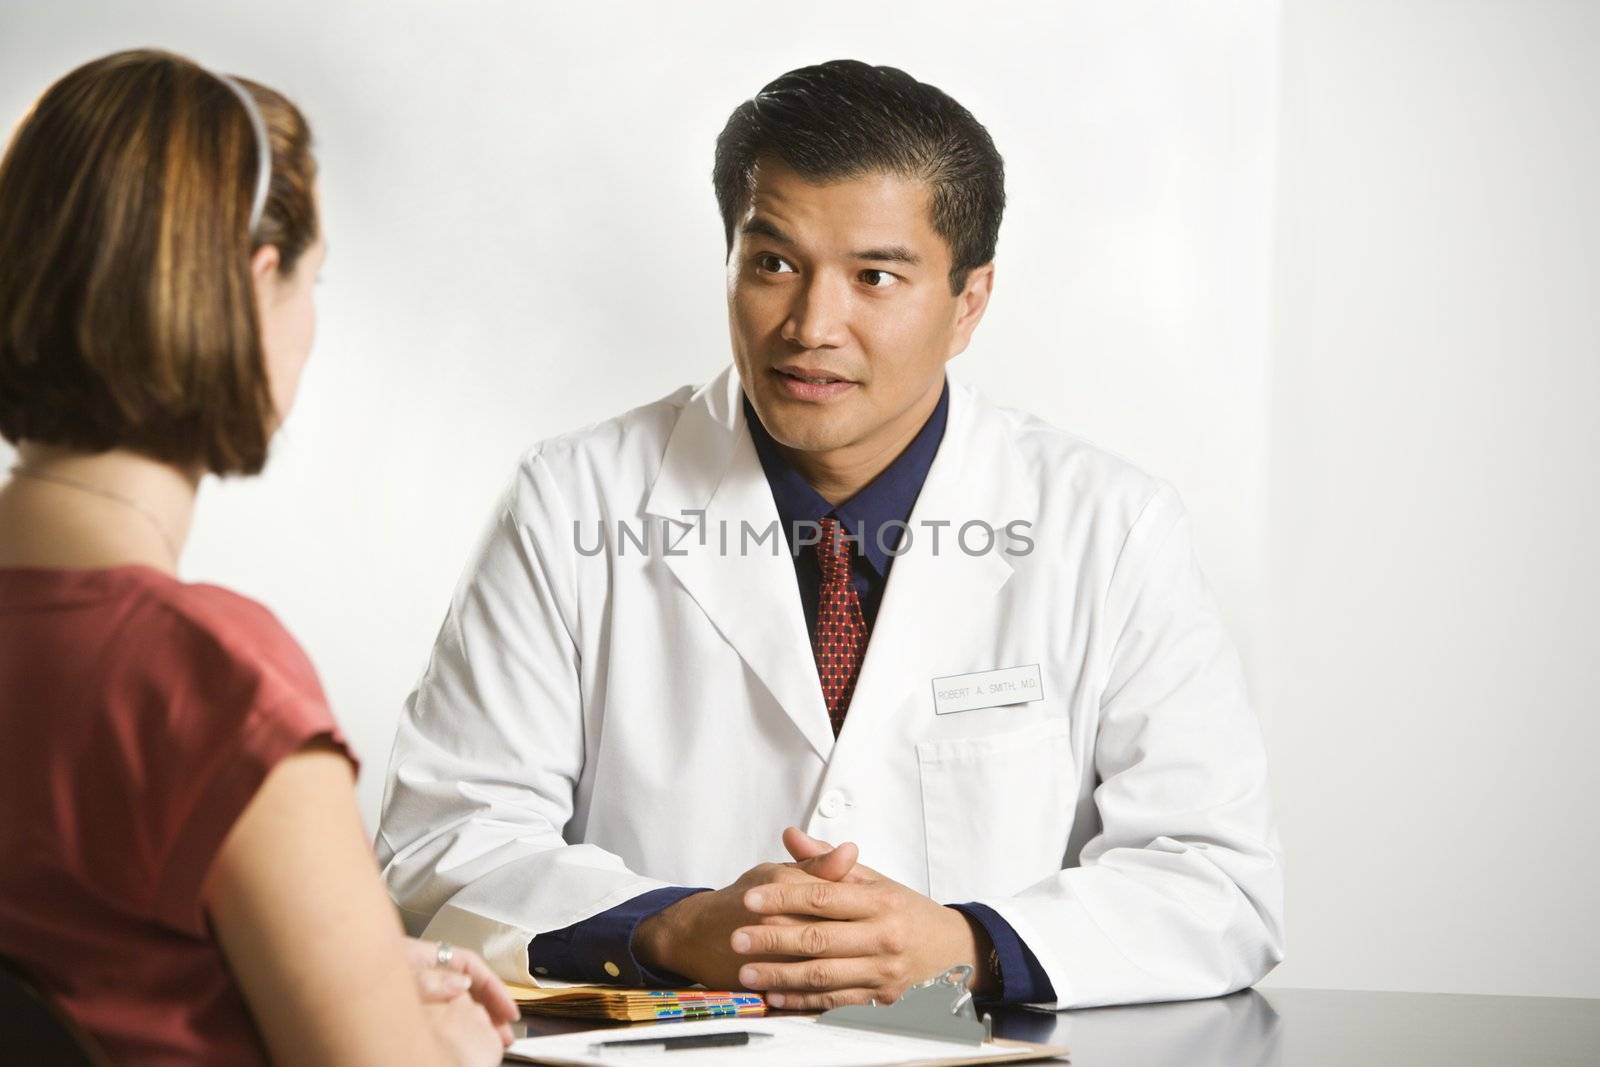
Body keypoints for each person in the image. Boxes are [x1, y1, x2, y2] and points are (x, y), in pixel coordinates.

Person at [376, 59, 1285, 1011]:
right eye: (773, 263)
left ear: (968, 301)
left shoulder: (1110, 525)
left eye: (876, 276)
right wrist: (671, 926)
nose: (812, 325)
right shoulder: (571, 501)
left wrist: (969, 944)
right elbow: (443, 838)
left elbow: (1216, 877)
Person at [0, 50, 517, 1064]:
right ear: (251, 281)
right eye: (313, 280)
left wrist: (343, 966)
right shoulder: (201, 678)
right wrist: (446, 1040)